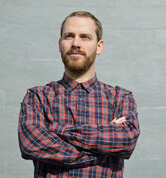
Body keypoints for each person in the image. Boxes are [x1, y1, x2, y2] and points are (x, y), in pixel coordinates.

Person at [18, 11, 140, 178]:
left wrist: (55, 129)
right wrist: (101, 149)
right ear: (60, 44)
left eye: (85, 37)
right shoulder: (38, 97)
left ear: (99, 46)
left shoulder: (120, 98)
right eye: (69, 36)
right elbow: (31, 144)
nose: (76, 43)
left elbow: (126, 141)